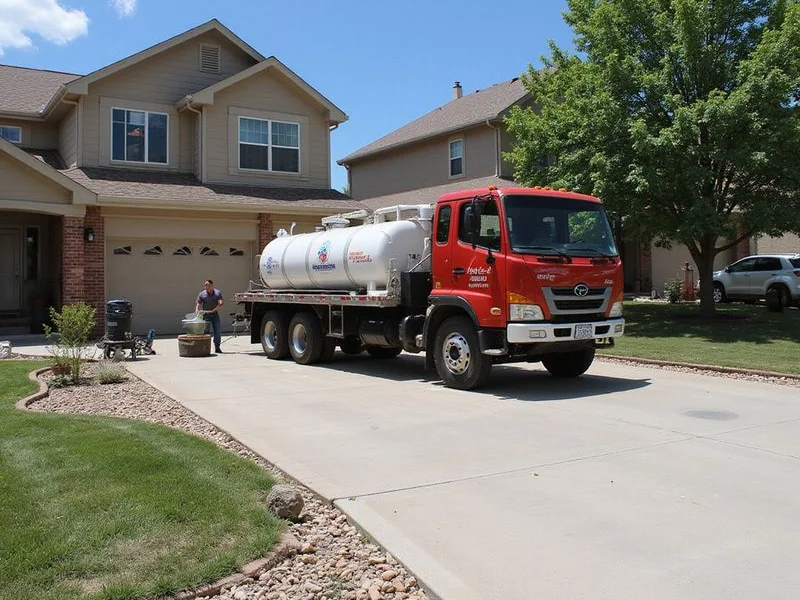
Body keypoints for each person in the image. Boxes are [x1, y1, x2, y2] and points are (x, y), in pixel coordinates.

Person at [195, 279, 224, 353]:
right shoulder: (202, 294)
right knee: (206, 332)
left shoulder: (217, 293)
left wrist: (220, 303)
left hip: (214, 315)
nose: (206, 287)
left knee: (217, 331)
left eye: (208, 285)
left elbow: (220, 301)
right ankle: (205, 347)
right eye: (205, 285)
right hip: (206, 315)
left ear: (212, 286)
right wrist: (197, 309)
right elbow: (198, 303)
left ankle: (217, 347)